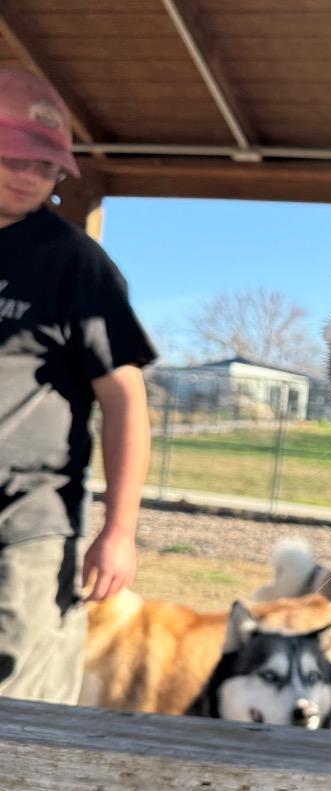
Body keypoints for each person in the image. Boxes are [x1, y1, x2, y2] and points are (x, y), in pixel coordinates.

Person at [0, 68, 155, 705]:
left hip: (27, 524)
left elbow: (126, 403)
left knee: (20, 707)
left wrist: (118, 531)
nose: (31, 175)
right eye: (15, 157)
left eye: (46, 166)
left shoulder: (76, 264)